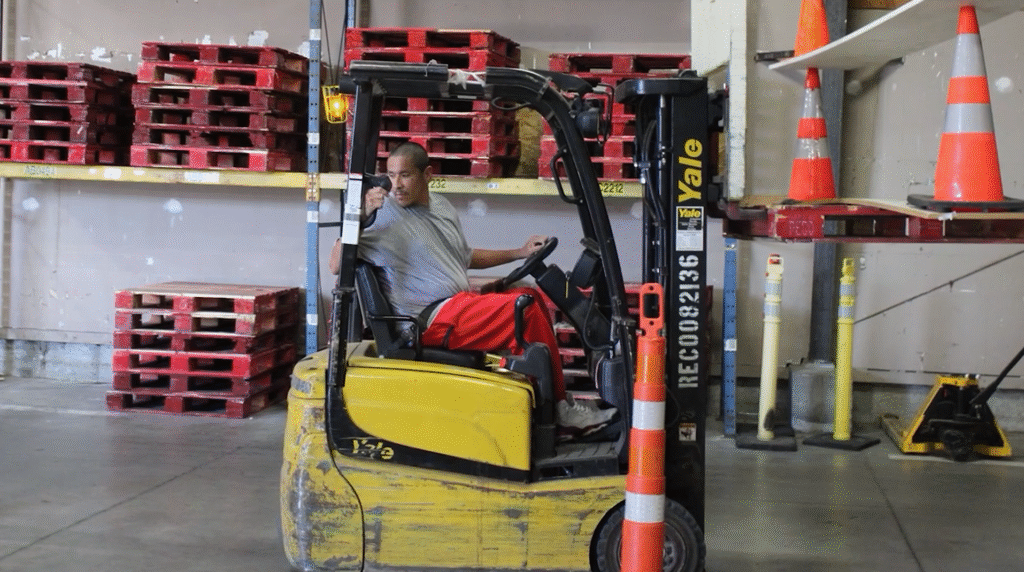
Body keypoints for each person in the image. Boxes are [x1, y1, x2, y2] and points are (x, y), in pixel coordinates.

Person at [330, 142, 616, 438]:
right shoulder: (381, 217)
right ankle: (559, 410)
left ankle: (541, 403)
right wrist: (360, 217)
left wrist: (519, 252)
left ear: (427, 174)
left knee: (529, 296)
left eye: (405, 175)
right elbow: (336, 264)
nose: (396, 185)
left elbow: (466, 257)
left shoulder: (440, 206)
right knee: (524, 311)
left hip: (455, 306)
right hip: (426, 320)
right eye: (390, 175)